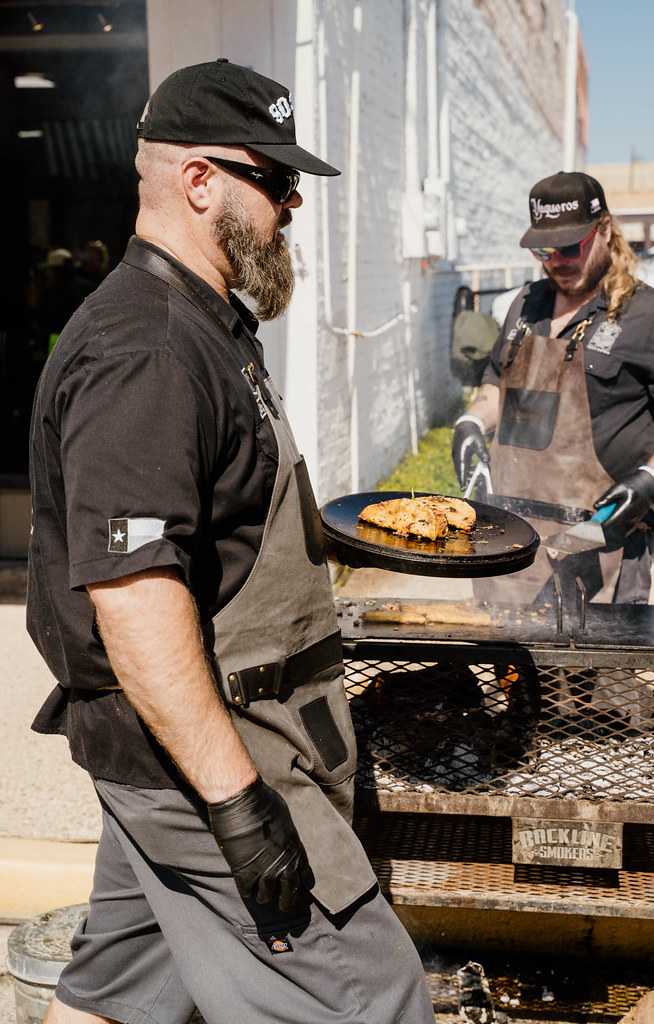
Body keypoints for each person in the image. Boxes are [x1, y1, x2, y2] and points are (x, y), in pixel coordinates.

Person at [27, 59, 436, 1024]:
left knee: (119, 997)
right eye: (275, 178)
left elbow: (223, 528)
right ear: (198, 179)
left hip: (179, 748)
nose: (293, 202)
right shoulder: (149, 348)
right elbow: (134, 599)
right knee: (372, 1000)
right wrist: (240, 806)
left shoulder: (209, 325)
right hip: (214, 752)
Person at [452, 170, 654, 607]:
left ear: (605, 230)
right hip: (510, 542)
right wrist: (472, 421)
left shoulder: (653, 317)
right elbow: (497, 383)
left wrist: (653, 478)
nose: (557, 260)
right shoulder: (525, 303)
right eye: (544, 249)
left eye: (571, 247)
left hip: (596, 539)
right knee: (512, 671)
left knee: (589, 675)